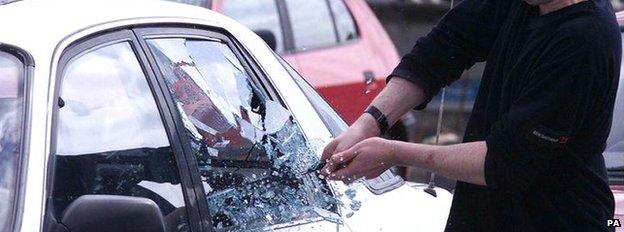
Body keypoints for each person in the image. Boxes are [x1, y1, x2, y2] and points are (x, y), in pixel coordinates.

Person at [320, 0, 621, 231]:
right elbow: (440, 51)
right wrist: (368, 123)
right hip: (480, 217)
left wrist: (393, 152)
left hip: (556, 221)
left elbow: (503, 162)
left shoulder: (585, 42)